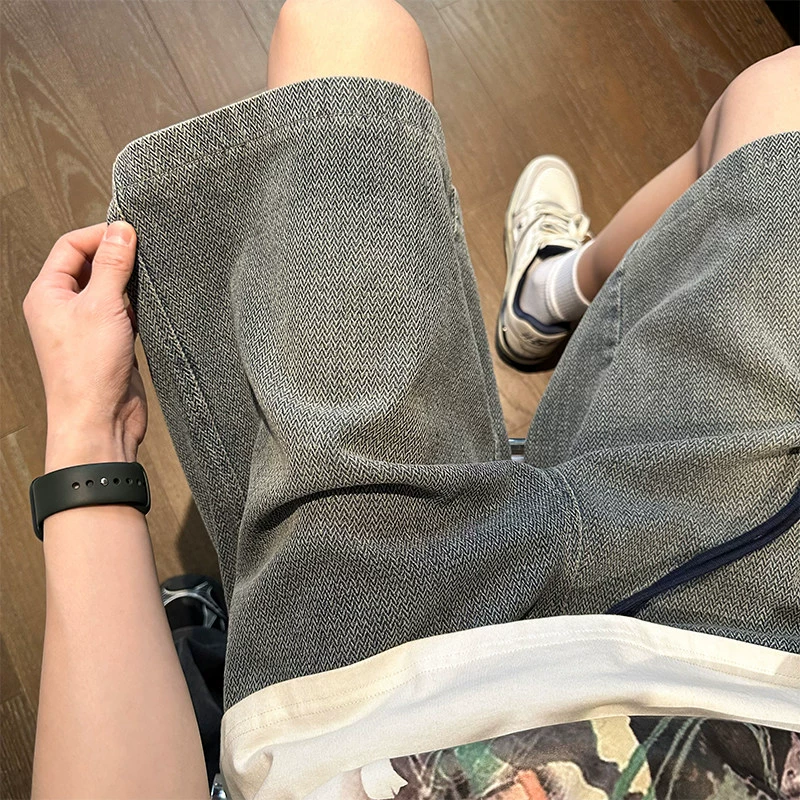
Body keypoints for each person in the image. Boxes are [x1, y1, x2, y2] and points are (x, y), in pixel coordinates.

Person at [21, 0, 799, 797]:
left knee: (340, 34)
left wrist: (91, 431)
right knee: (783, 94)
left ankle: (552, 296)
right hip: (752, 664)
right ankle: (552, 291)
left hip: (362, 684)